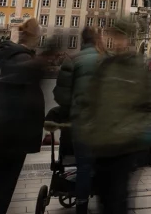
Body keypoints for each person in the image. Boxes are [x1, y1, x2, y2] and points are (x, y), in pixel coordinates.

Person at [79, 19, 151, 214]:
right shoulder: (105, 65)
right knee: (104, 199)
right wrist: (89, 128)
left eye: (119, 36)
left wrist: (138, 130)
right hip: (103, 144)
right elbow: (90, 101)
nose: (115, 41)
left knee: (118, 200)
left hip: (127, 145)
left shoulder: (139, 67)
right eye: (113, 36)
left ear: (128, 38)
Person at [0, 18, 48, 214]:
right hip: (15, 130)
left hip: (4, 127)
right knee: (6, 181)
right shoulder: (22, 59)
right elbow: (26, 91)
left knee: (1, 180)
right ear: (34, 37)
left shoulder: (8, 55)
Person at [53, 27, 103, 214]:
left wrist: (71, 107)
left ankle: (81, 206)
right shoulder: (106, 60)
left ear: (82, 40)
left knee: (83, 166)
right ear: (98, 40)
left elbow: (61, 96)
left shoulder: (72, 60)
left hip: (80, 121)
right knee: (103, 164)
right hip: (103, 123)